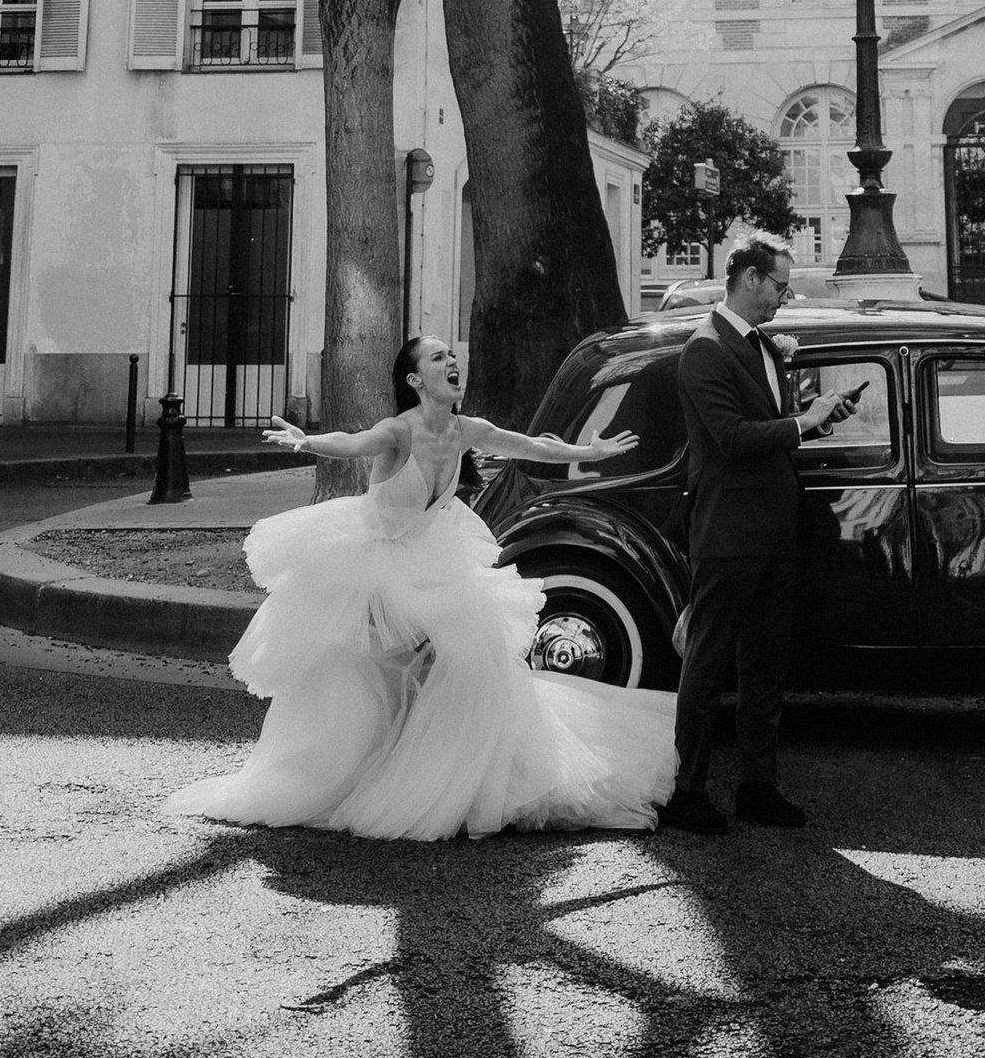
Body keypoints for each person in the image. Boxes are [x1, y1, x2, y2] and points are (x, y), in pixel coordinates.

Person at [166, 333, 675, 840]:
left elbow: (531, 445)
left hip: (432, 560)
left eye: (453, 355)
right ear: (415, 380)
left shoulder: (465, 428)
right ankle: (359, 771)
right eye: (438, 358)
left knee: (469, 661)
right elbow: (354, 441)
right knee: (372, 675)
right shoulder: (399, 431)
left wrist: (590, 448)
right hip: (373, 563)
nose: (452, 362)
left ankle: (458, 774)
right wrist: (308, 441)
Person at [662, 232, 866, 837]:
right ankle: (687, 791)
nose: (785, 295)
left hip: (774, 525)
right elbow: (729, 437)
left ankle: (758, 785)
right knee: (707, 664)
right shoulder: (704, 351)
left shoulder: (760, 347)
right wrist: (802, 423)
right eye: (779, 284)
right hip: (727, 530)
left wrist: (818, 420)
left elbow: (772, 427)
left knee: (766, 665)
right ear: (749, 279)